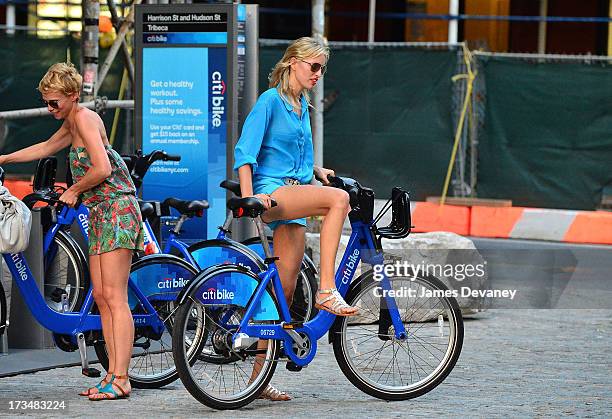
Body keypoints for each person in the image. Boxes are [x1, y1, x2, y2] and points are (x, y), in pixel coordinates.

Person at [0, 62, 143, 401]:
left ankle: (122, 378)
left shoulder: (84, 118)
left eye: (54, 103)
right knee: (103, 298)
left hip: (116, 209)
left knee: (115, 298)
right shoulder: (70, 122)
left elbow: (103, 167)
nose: (50, 109)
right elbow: (44, 148)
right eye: (46, 103)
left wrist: (75, 189)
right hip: (100, 212)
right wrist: (4, 157)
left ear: (73, 96)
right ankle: (112, 374)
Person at [234, 37, 358, 401]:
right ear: (292, 63)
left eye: (323, 68)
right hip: (274, 192)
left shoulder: (301, 104)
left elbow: (290, 152)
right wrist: (250, 195)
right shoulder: (269, 101)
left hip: (296, 192)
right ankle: (326, 289)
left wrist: (316, 170)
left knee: (283, 292)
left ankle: (257, 381)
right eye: (314, 66)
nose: (319, 74)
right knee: (339, 201)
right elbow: (246, 152)